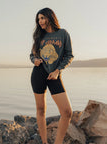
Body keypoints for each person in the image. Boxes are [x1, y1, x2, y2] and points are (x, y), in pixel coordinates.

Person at [29, 7, 74, 144]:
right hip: (38, 73)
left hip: (54, 75)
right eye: (38, 19)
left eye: (42, 18)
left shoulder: (63, 33)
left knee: (67, 112)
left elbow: (69, 55)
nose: (40, 21)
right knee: (41, 109)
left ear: (50, 17)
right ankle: (44, 142)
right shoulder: (39, 36)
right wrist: (34, 60)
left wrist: (57, 71)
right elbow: (32, 55)